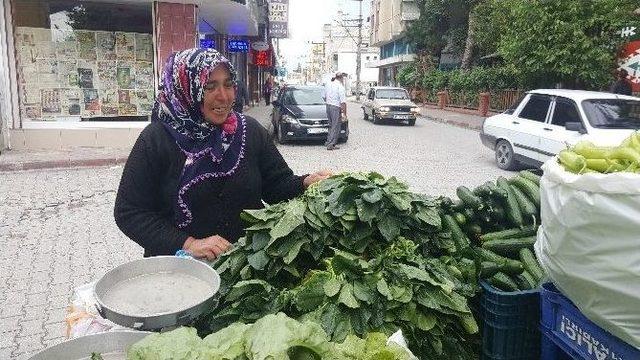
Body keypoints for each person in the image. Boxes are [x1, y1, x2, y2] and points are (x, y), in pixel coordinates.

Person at [114, 48, 331, 260]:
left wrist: (305, 183)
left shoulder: (250, 131)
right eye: (210, 86)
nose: (224, 96)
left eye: (228, 85)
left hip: (243, 269)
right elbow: (129, 212)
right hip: (179, 273)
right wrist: (188, 244)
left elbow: (276, 185)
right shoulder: (156, 139)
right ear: (186, 88)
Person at [324, 72, 347, 150]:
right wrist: (344, 114)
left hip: (328, 106)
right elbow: (343, 102)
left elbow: (323, 96)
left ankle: (328, 141)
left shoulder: (328, 84)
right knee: (336, 126)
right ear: (341, 78)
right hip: (335, 107)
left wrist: (329, 101)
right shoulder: (340, 86)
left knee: (331, 125)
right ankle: (331, 144)